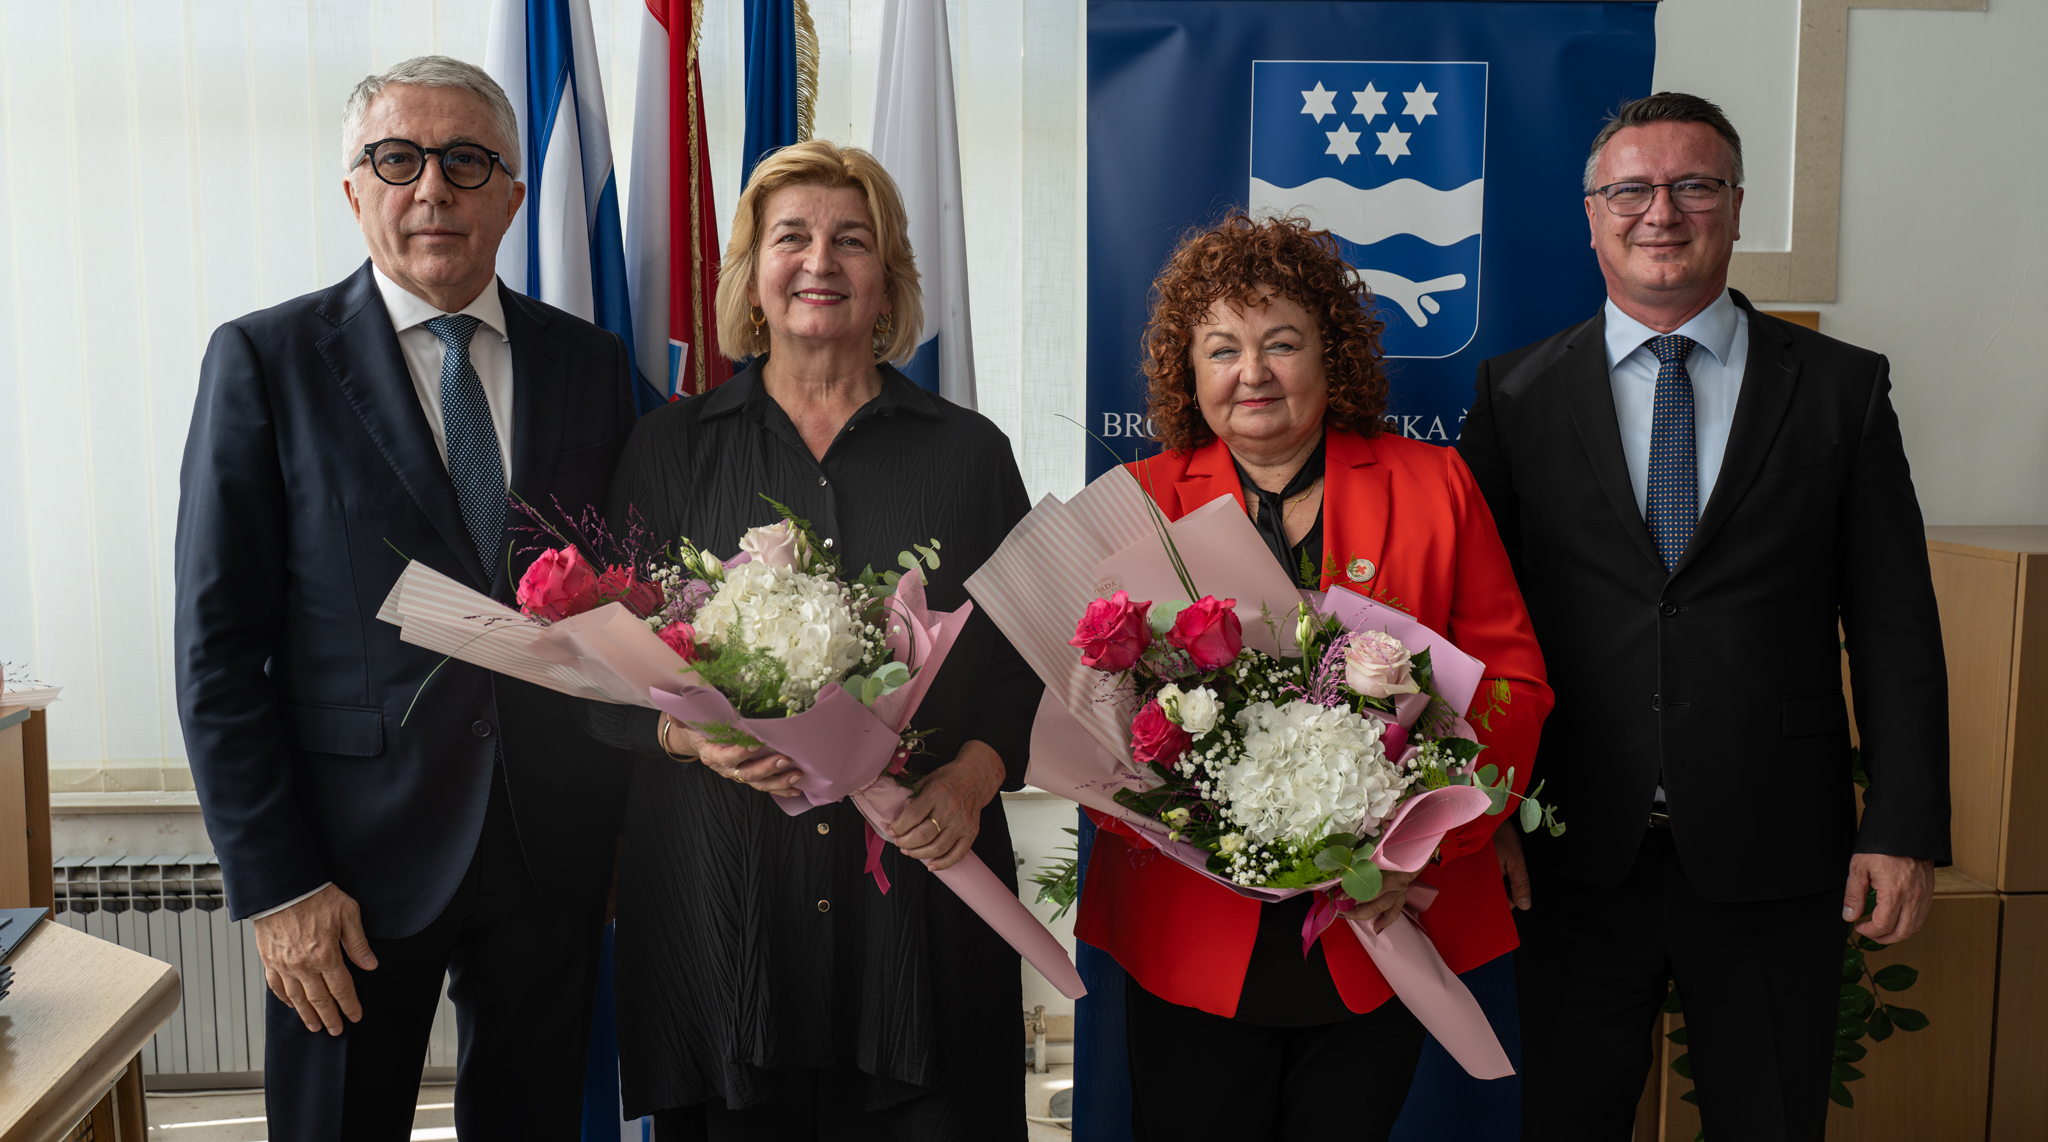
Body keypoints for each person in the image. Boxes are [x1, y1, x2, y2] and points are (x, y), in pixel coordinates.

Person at [1458, 92, 1951, 1141]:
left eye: (1692, 185)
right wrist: (1482, 811)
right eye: (1631, 189)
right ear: (1591, 216)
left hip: (1777, 847)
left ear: (1733, 205)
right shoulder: (1512, 397)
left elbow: (1895, 624)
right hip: (1571, 850)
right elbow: (1472, 628)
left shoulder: (1841, 390)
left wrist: (1902, 825)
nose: (1661, 212)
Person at [174, 56, 637, 1140]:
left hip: (552, 850)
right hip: (345, 868)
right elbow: (215, 651)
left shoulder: (590, 362)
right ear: (354, 190)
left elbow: (637, 589)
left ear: (512, 196)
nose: (432, 188)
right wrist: (277, 883)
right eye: (397, 159)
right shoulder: (265, 360)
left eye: (466, 161)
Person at [576, 139, 1044, 1141]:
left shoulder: (969, 456)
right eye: (791, 237)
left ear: (889, 278)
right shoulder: (668, 448)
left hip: (919, 907)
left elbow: (1024, 671)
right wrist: (686, 736)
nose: (819, 261)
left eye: (852, 240)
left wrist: (969, 780)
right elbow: (595, 675)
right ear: (751, 273)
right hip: (723, 914)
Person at [1074, 214, 1555, 1142]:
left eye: (1281, 343)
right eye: (1222, 349)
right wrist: (1167, 810)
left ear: (1331, 356)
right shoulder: (1138, 502)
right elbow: (1087, 714)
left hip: (1379, 918)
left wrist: (1419, 845)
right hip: (1188, 925)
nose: (1251, 372)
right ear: (1189, 371)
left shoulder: (1436, 486)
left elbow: (1513, 686)